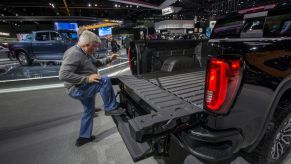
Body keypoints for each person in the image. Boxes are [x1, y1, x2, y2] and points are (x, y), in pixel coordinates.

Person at [59, 30, 125, 147]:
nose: (94, 50)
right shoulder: (73, 53)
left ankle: (84, 137)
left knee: (89, 110)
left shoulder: (85, 52)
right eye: (93, 47)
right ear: (86, 44)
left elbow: (96, 63)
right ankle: (111, 107)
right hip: (76, 89)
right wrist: (87, 79)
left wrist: (110, 58)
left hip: (83, 87)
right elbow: (63, 75)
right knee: (103, 80)